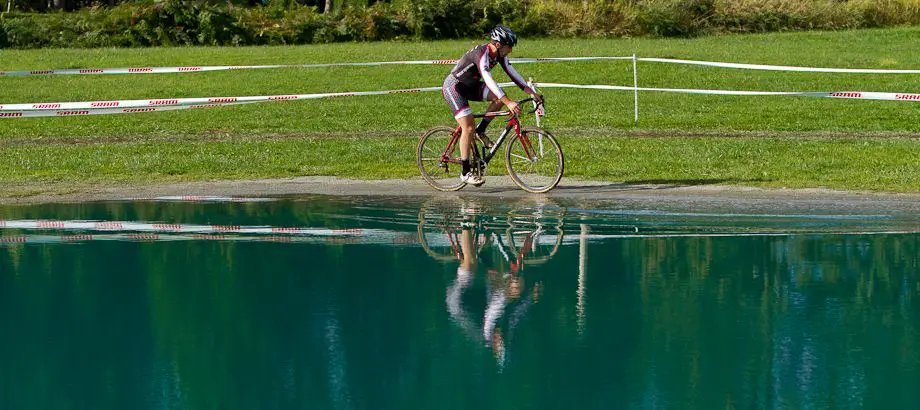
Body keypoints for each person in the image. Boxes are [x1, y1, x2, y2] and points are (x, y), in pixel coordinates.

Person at [441, 25, 545, 186]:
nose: (511, 50)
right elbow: (489, 80)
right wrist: (508, 102)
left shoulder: (499, 54)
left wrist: (531, 92)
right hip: (454, 87)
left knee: (497, 99)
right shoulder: (481, 55)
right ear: (498, 44)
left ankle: (480, 131)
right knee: (468, 127)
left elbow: (513, 74)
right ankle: (465, 172)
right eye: (509, 46)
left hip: (471, 85)